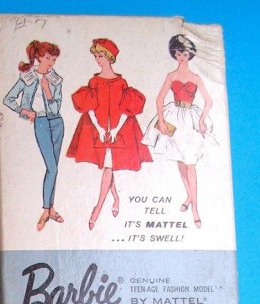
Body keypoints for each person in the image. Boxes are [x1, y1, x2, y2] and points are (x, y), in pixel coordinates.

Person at [66, 38, 151, 229]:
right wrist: (99, 129)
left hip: (119, 131)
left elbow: (126, 109)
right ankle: (115, 199)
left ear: (109, 57)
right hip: (99, 129)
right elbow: (89, 108)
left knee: (108, 167)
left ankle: (97, 209)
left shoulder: (122, 83)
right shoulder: (94, 81)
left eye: (100, 56)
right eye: (96, 56)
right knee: (108, 166)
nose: (97, 59)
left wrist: (115, 130)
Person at [142, 35, 216, 228]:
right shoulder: (171, 76)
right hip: (174, 119)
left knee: (190, 163)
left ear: (190, 54)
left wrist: (201, 120)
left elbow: (209, 101)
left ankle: (195, 208)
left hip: (190, 121)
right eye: (178, 53)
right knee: (181, 162)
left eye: (184, 53)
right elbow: (159, 99)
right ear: (174, 54)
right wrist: (161, 121)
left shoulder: (196, 78)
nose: (181, 57)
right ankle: (189, 196)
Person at [3, 40, 65, 231]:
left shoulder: (55, 79)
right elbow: (8, 99)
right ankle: (46, 210)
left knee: (54, 169)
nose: (51, 63)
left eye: (53, 59)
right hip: (41, 122)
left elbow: (56, 108)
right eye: (48, 58)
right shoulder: (28, 77)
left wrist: (47, 90)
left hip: (57, 123)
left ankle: (51, 209)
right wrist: (26, 112)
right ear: (39, 57)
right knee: (52, 168)